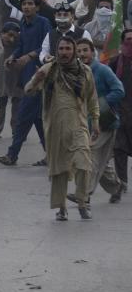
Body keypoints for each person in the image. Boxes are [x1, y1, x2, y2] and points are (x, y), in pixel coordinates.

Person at [25, 36, 99, 221]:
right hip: (55, 128)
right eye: (61, 49)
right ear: (57, 51)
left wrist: (95, 122)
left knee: (84, 164)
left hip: (79, 126)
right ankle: (62, 208)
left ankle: (82, 203)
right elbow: (28, 90)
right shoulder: (49, 69)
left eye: (68, 49)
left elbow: (92, 99)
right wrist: (36, 79)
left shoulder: (85, 71)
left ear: (74, 51)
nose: (64, 52)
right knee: (59, 170)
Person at [0, 0, 52, 166]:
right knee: (36, 119)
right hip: (26, 75)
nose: (26, 7)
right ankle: (51, 155)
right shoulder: (23, 24)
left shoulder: (44, 23)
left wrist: (30, 56)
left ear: (37, 7)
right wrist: (13, 56)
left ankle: (12, 155)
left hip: (40, 75)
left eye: (30, 4)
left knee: (23, 116)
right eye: (24, 4)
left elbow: (47, 45)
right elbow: (20, 46)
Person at [73, 38, 123, 204]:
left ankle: (84, 194)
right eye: (78, 51)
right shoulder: (76, 72)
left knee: (90, 155)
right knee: (101, 162)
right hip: (84, 123)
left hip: (105, 123)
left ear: (92, 51)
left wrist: (100, 104)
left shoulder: (103, 70)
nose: (82, 54)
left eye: (85, 50)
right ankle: (116, 186)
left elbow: (119, 90)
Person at [108, 28, 132, 203]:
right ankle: (121, 183)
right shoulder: (116, 62)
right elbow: (109, 85)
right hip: (120, 112)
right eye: (128, 40)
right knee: (119, 149)